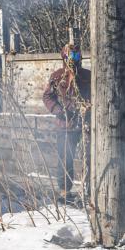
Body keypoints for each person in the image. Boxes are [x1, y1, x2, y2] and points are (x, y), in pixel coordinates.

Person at [41, 43, 90, 197]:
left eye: (77, 55)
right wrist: (59, 110)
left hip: (85, 124)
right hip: (65, 125)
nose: (74, 59)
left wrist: (89, 107)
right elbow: (47, 96)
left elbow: (96, 95)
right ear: (64, 57)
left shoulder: (88, 76)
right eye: (71, 55)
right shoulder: (57, 76)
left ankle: (89, 189)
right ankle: (64, 190)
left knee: (89, 156)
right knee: (65, 157)